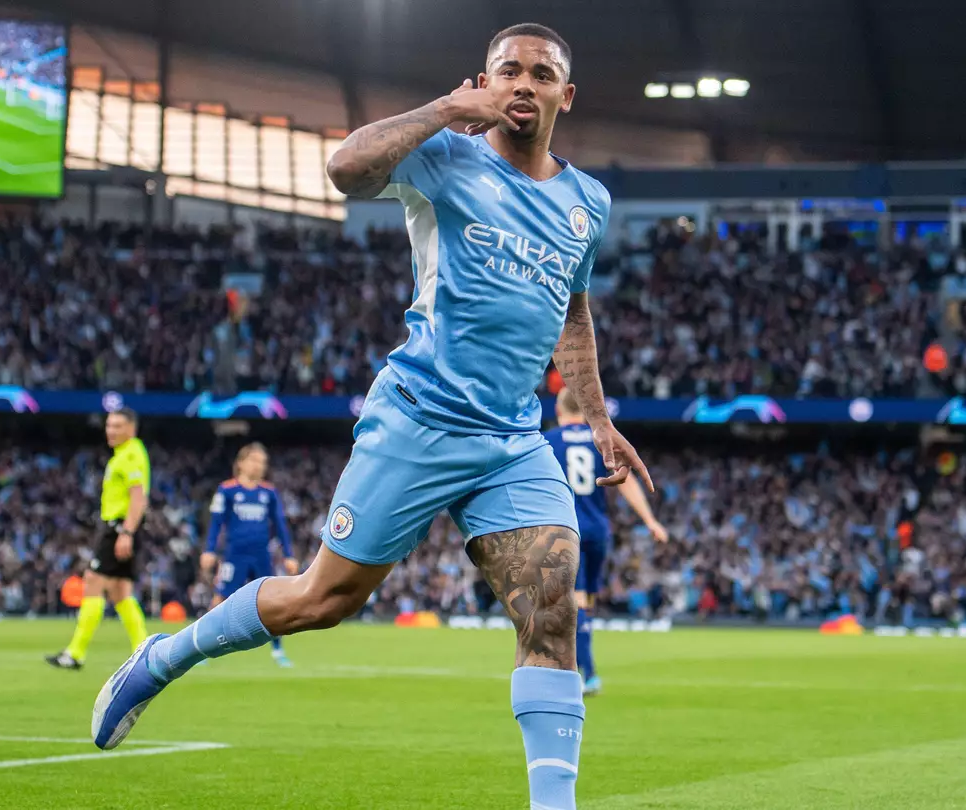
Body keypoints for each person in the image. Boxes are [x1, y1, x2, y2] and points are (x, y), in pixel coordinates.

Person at [92, 23, 648, 810]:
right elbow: (343, 167)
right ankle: (163, 657)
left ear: (567, 94)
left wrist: (593, 418)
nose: (523, 84)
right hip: (419, 419)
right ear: (484, 81)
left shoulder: (587, 201)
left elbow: (575, 313)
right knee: (322, 601)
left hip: (514, 440)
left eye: (541, 74)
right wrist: (444, 108)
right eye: (507, 72)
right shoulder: (447, 154)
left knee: (550, 612)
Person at [544, 387, 667, 695]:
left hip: (566, 528)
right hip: (598, 529)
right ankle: (581, 666)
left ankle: (587, 673)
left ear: (559, 412)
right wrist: (649, 520)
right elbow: (626, 482)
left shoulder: (548, 442)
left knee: (576, 601)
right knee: (586, 601)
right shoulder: (599, 442)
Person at [46, 409, 150, 670]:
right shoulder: (126, 453)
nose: (111, 431)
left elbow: (138, 498)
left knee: (92, 582)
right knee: (120, 591)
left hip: (118, 528)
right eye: (108, 425)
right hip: (120, 528)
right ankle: (145, 649)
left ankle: (75, 653)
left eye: (117, 426)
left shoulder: (130, 454)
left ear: (131, 428)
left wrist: (126, 532)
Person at [201, 443, 299, 667]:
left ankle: (277, 650)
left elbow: (280, 525)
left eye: (262, 462)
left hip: (261, 555)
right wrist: (209, 550)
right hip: (234, 555)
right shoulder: (227, 490)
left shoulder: (268, 492)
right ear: (241, 463)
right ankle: (201, 649)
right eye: (254, 460)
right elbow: (216, 524)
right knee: (219, 599)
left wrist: (288, 554)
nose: (259, 465)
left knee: (273, 601)